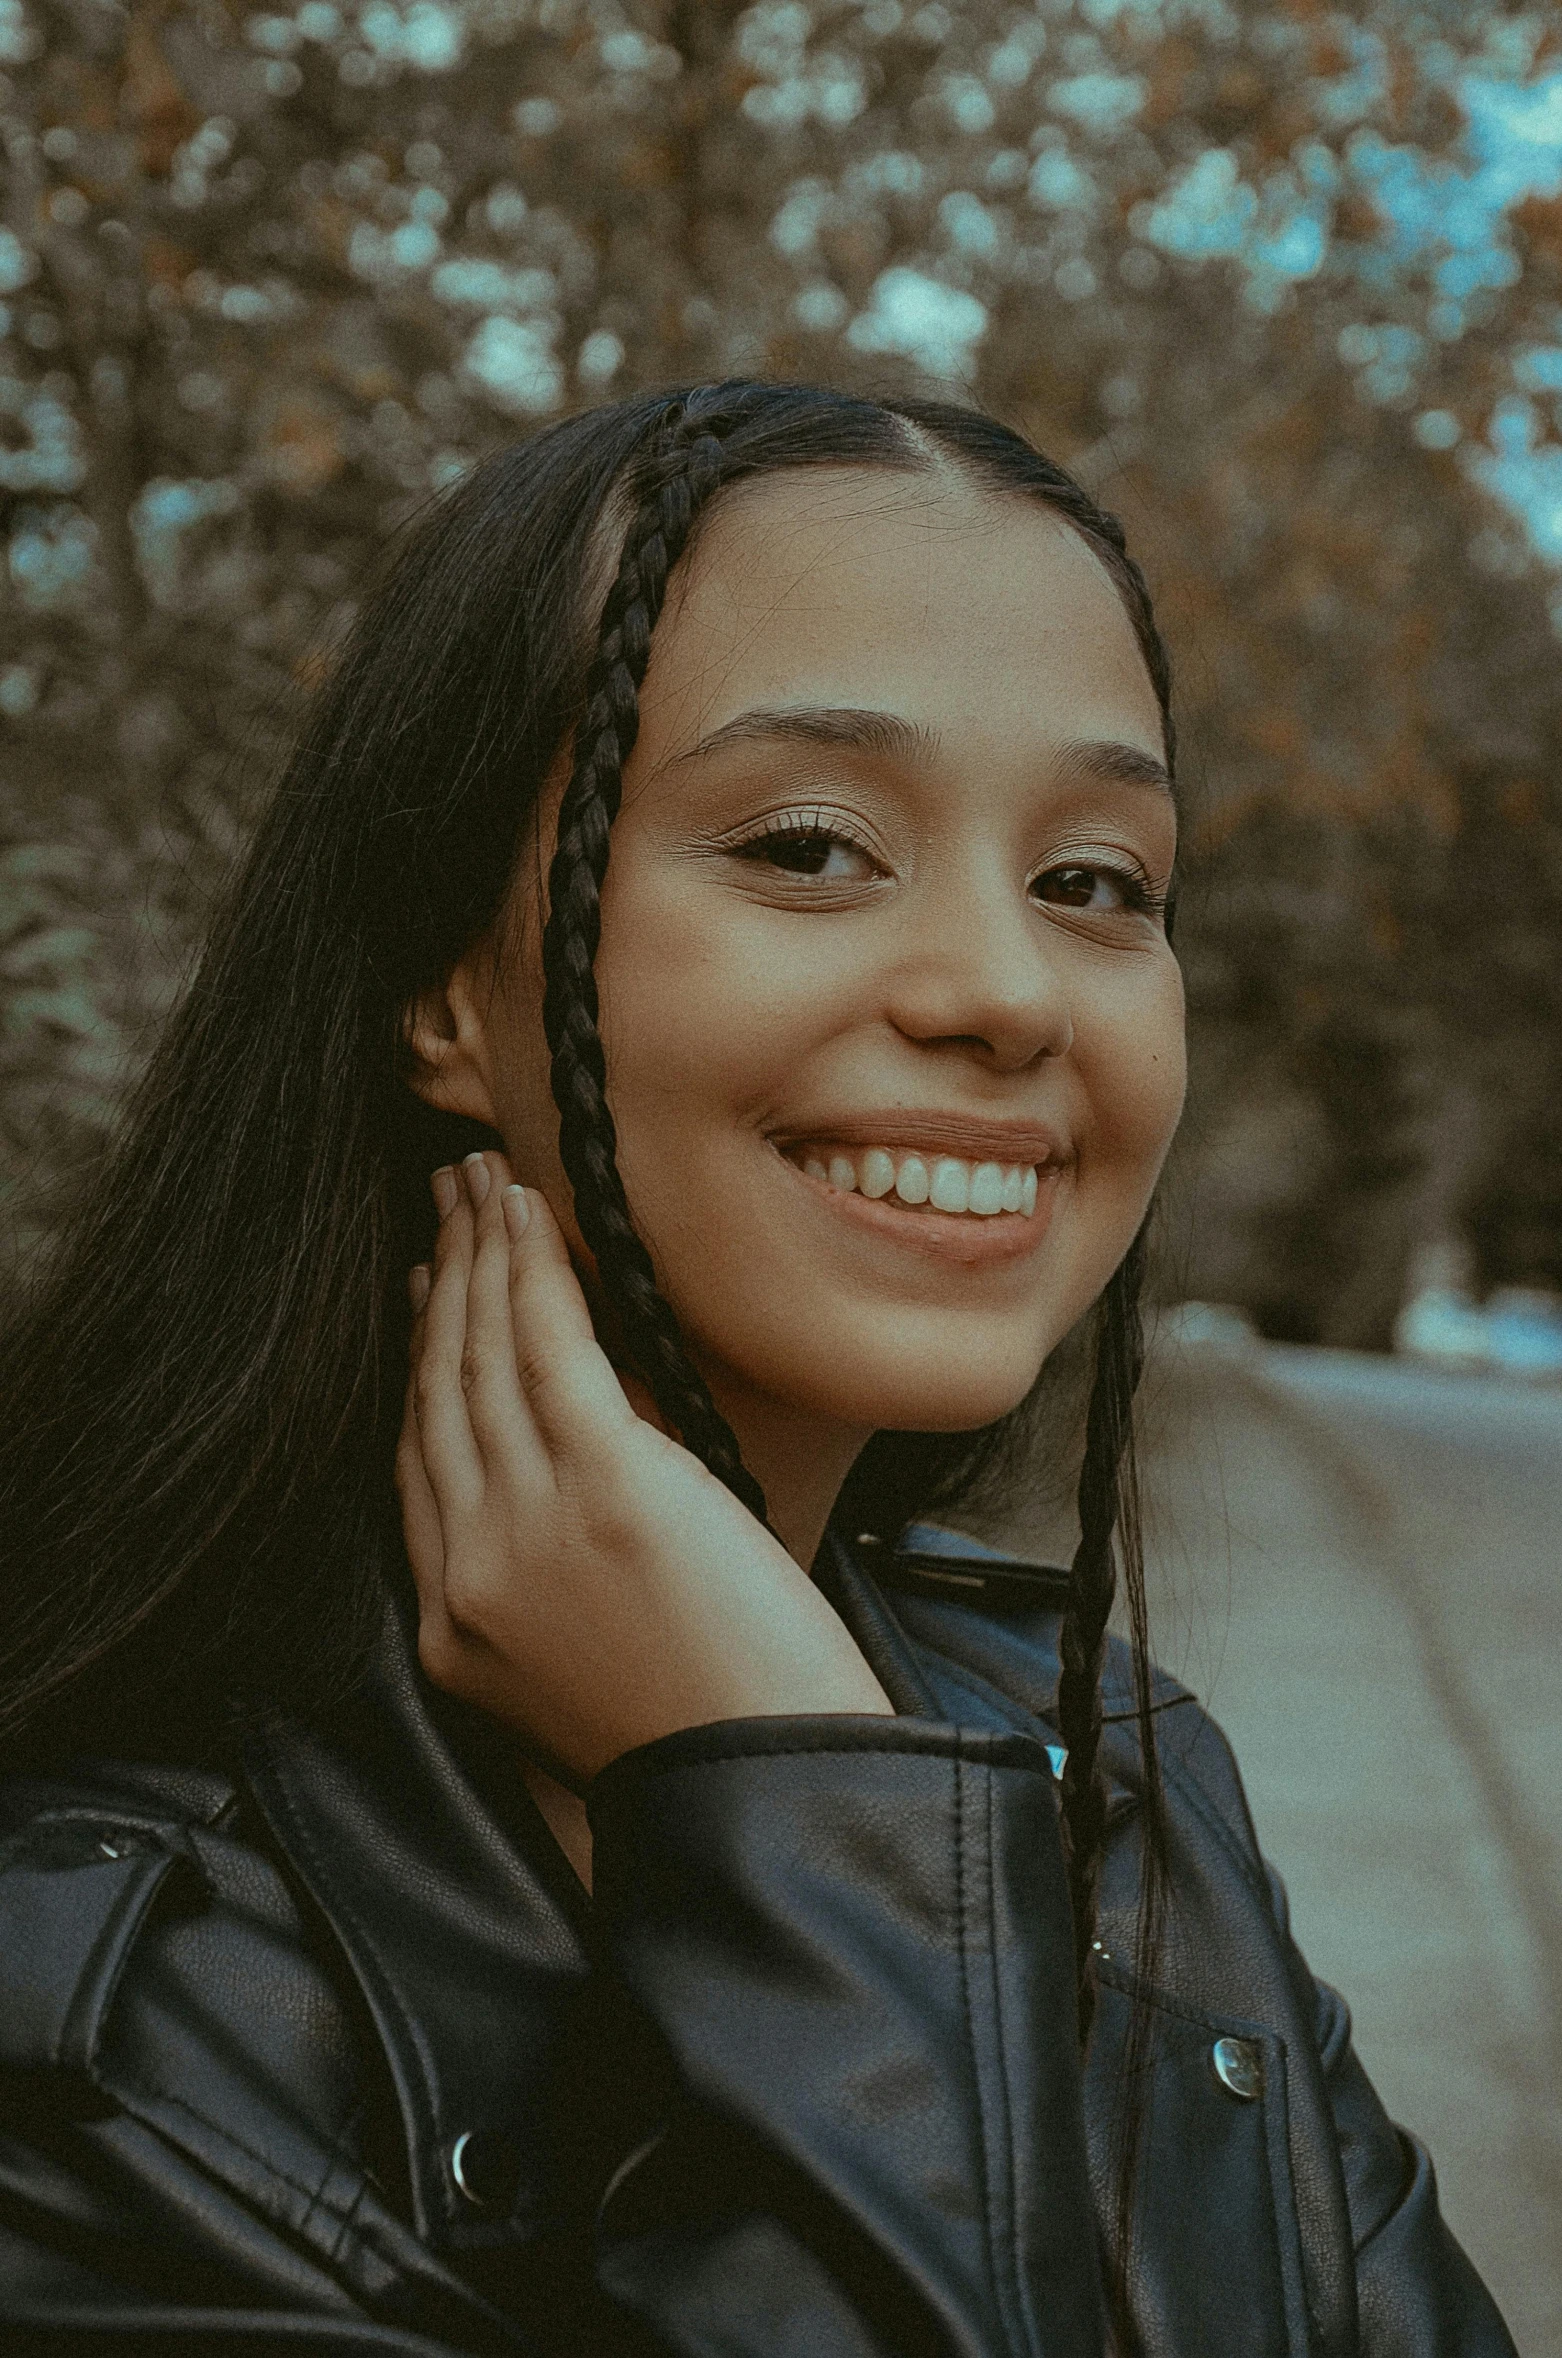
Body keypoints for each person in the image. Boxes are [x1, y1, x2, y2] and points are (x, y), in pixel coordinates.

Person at [0, 381, 1515, 2356]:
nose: (1001, 991)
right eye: (809, 845)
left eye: (1092, 881)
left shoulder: (1120, 1797)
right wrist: (834, 1863)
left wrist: (806, 1756)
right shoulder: (111, 2015)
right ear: (442, 985)